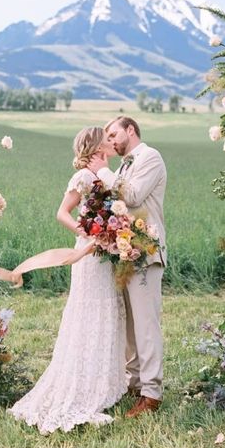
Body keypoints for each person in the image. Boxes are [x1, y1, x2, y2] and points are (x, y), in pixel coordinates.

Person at [8, 127, 127, 434]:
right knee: (89, 312)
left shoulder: (105, 173)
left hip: (106, 254)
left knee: (106, 311)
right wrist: (87, 234)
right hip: (89, 253)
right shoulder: (85, 177)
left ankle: (104, 381)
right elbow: (62, 212)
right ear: (96, 145)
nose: (113, 143)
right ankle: (81, 386)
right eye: (108, 139)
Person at [88, 116, 167, 418]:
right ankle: (133, 384)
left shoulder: (150, 157)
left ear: (130, 130)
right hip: (124, 253)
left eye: (113, 134)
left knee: (146, 325)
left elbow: (132, 195)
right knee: (130, 325)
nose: (110, 140)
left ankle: (152, 394)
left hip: (146, 252)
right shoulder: (123, 166)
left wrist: (102, 171)